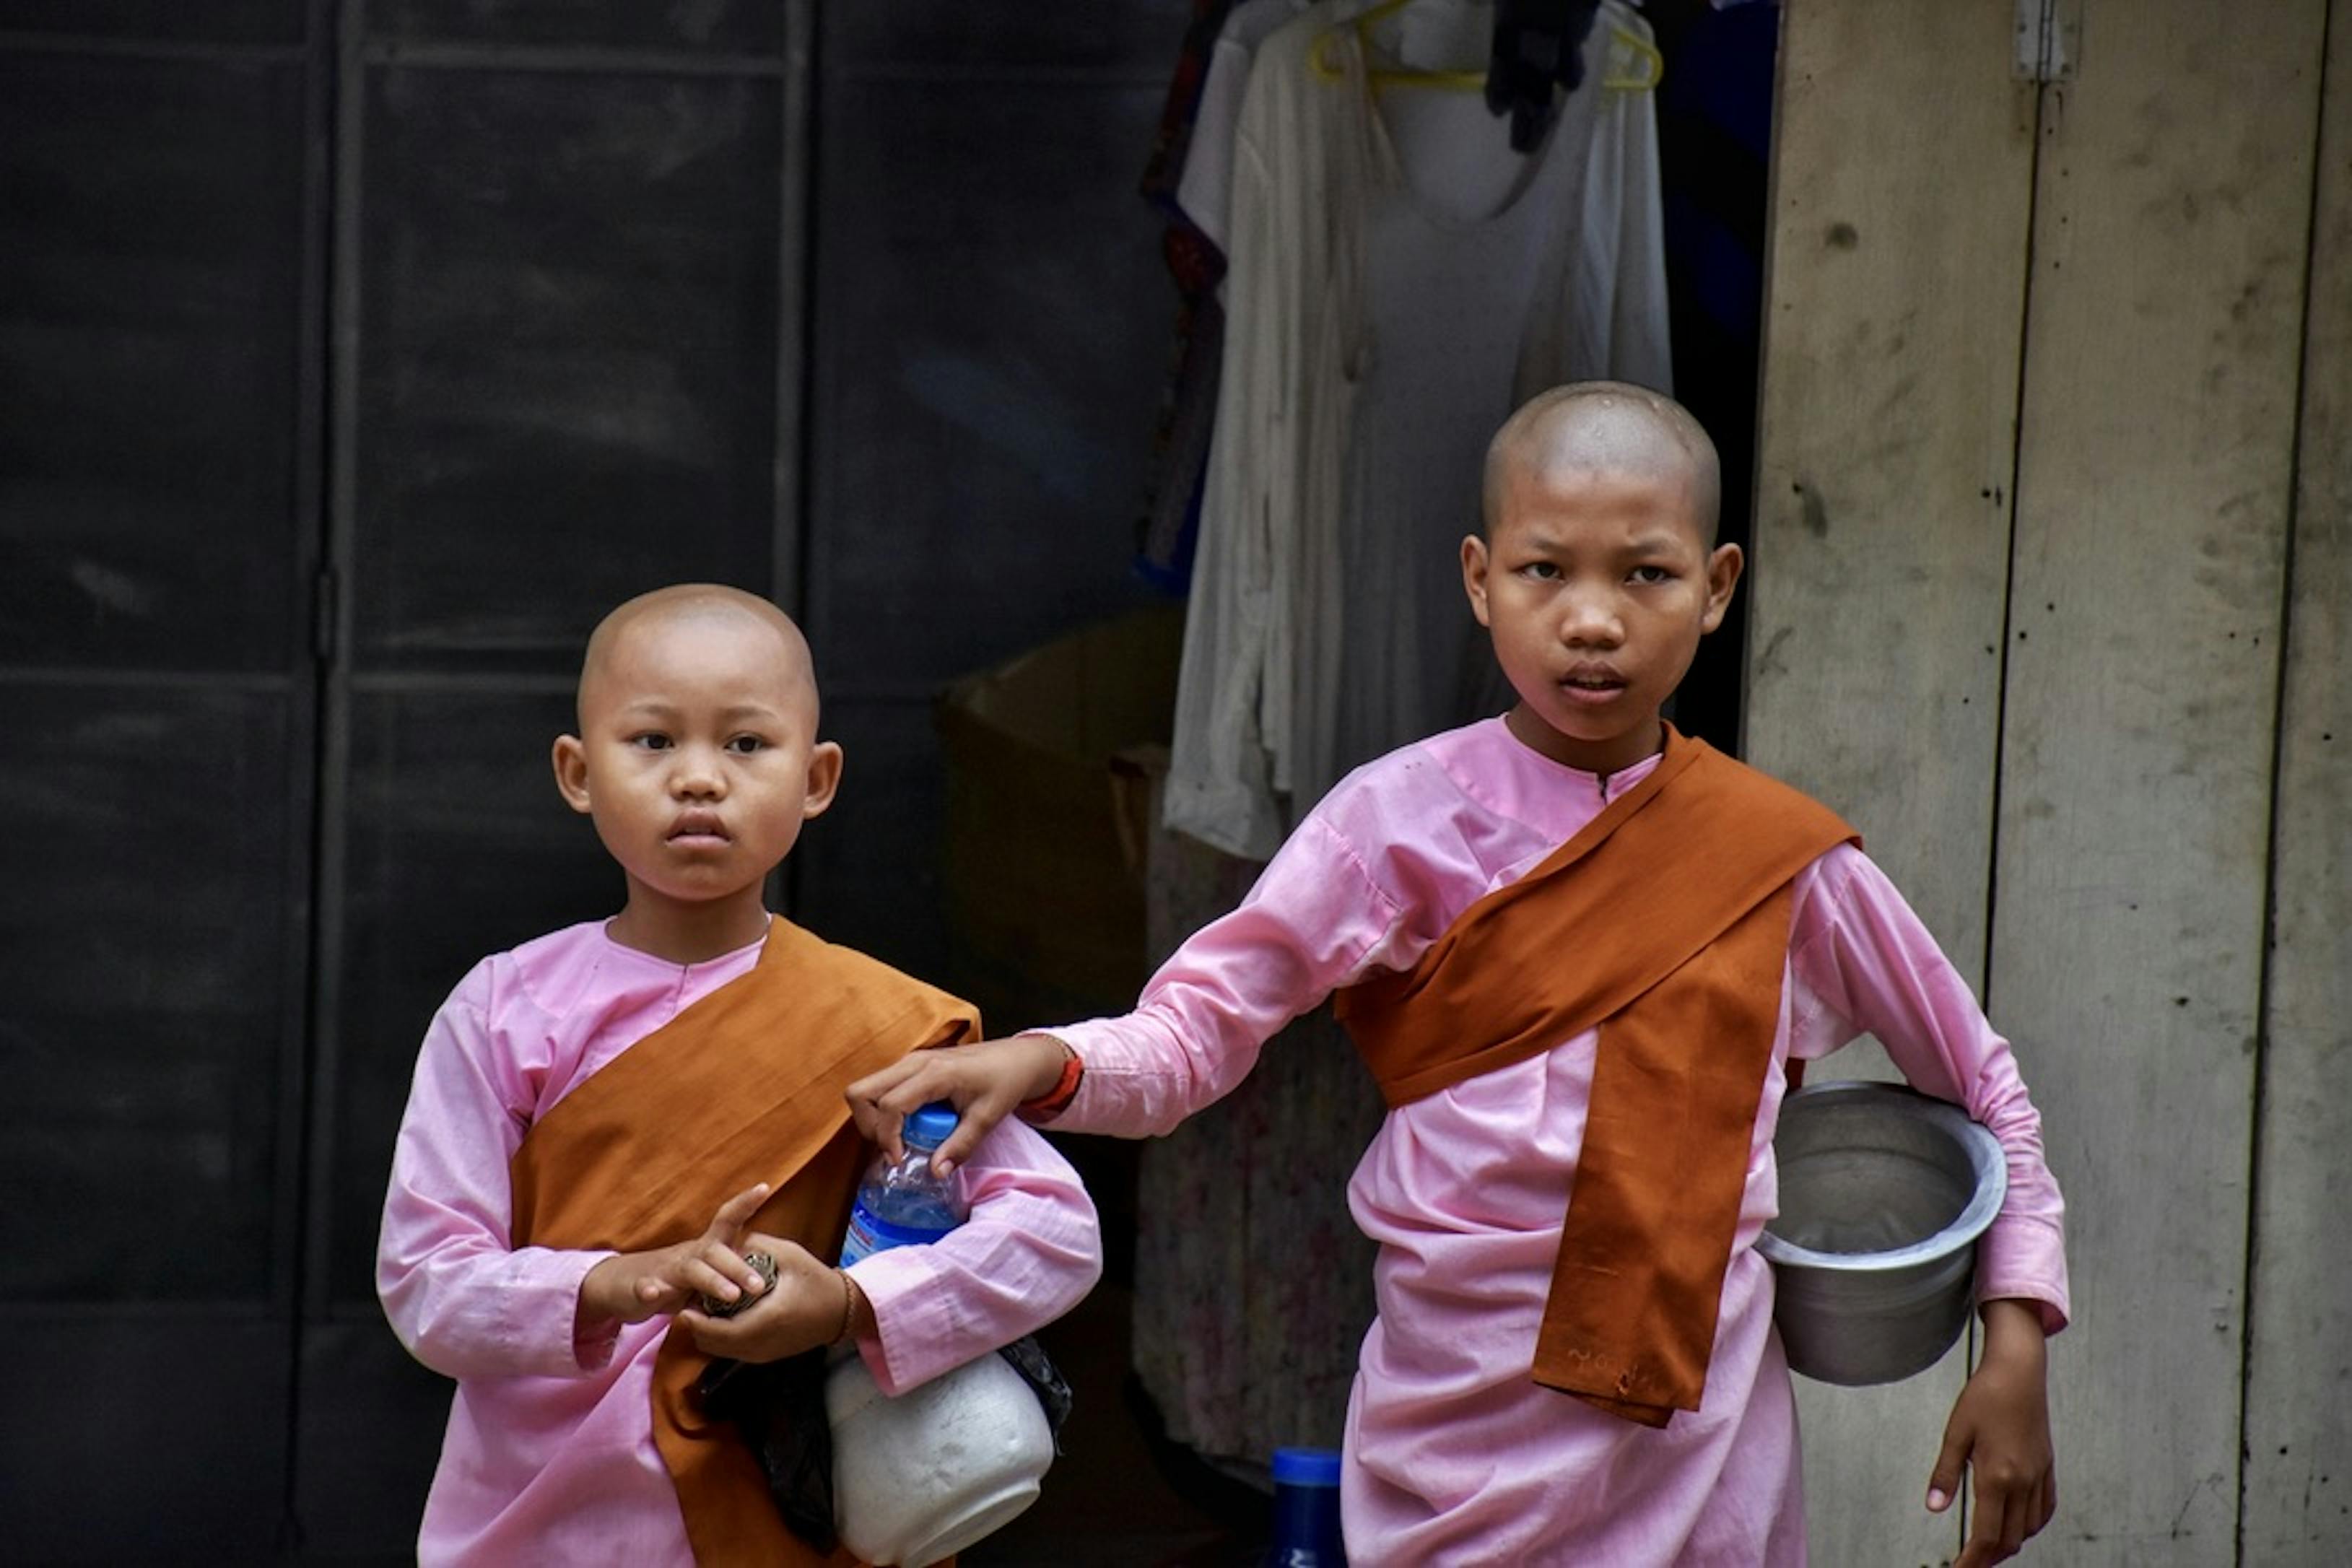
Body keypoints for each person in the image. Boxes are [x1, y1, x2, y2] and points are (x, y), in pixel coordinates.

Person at [848, 383, 2067, 1567]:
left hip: (1698, 1452)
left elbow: (1985, 1089)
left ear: (1717, 588)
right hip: (1455, 1437)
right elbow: (1191, 1039)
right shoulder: (1395, 826)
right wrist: (1045, 1059)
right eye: (1546, 571)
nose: (1593, 620)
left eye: (1645, 572)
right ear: (1481, 581)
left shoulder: (1778, 863)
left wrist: (2013, 1347)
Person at [378, 584, 1102, 1567]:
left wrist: (854, 1308)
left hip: (783, 1502)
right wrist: (615, 1283)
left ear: (817, 778)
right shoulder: (505, 1012)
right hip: (543, 1517)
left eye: (746, 745)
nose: (699, 780)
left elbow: (1054, 1235)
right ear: (577, 772)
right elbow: (427, 1282)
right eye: (653, 742)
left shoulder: (882, 1029)